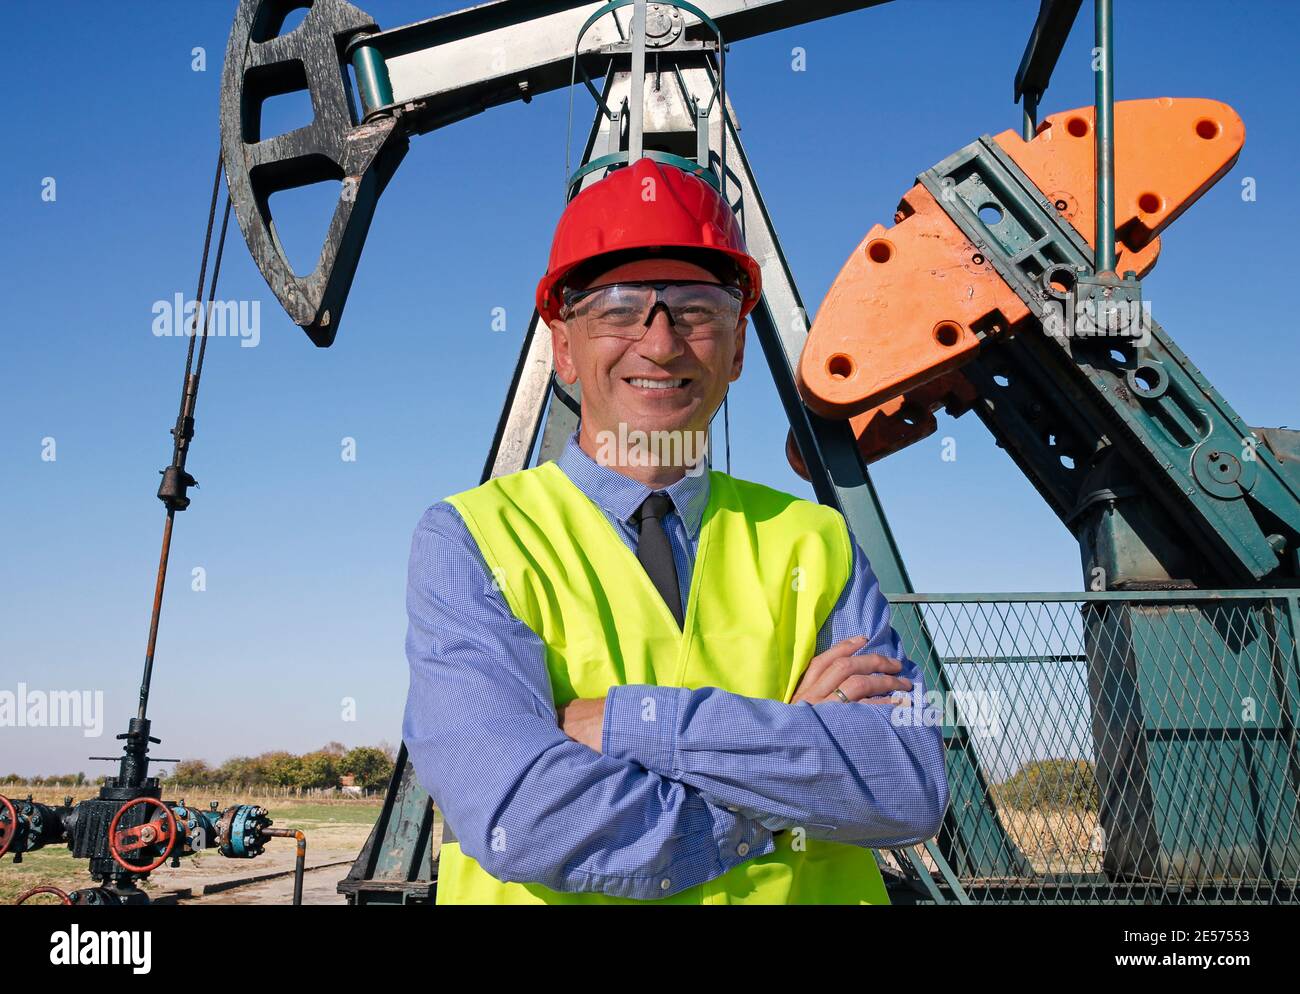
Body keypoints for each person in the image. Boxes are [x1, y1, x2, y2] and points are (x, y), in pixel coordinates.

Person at [402, 157, 949, 904]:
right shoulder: (470, 540)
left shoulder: (813, 540)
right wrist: (795, 758)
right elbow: (523, 817)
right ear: (564, 346)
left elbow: (907, 787)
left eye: (696, 309)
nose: (660, 344)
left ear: (737, 349)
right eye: (619, 308)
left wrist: (633, 725)